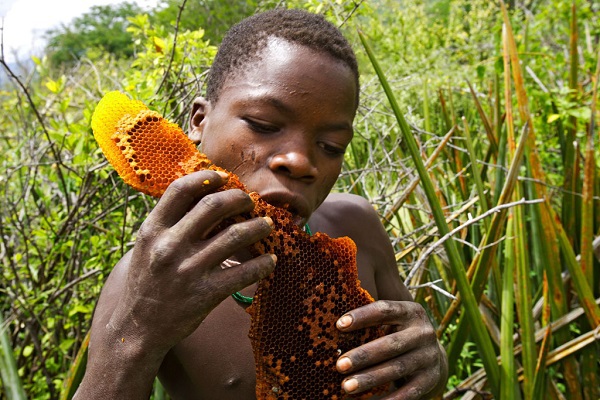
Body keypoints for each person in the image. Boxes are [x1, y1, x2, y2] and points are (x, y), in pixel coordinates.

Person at [76, 8, 448, 400]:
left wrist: (433, 365)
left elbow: (415, 371)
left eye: (331, 146)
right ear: (200, 122)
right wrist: (138, 330)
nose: (300, 161)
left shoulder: (356, 226)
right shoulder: (149, 281)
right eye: (264, 125)